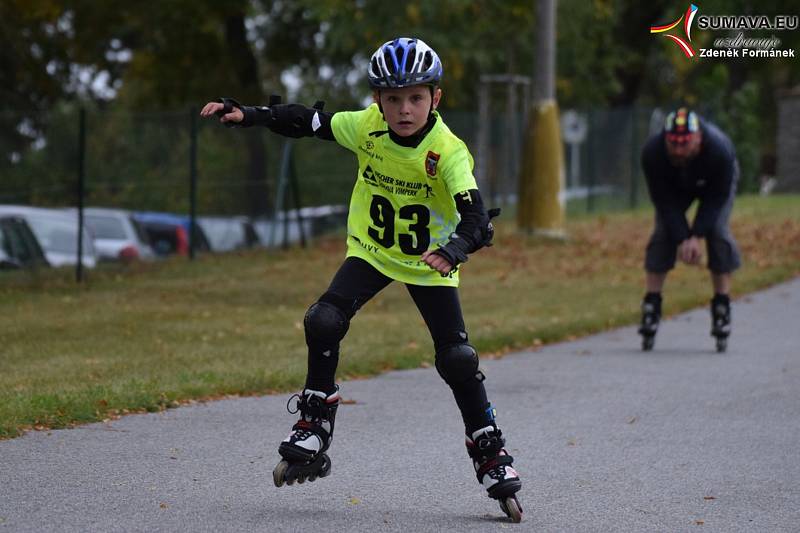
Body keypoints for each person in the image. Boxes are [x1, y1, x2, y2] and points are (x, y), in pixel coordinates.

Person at [201, 37, 522, 521]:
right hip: (372, 251)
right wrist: (250, 114)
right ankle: (314, 424)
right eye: (392, 99)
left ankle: (490, 451)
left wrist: (453, 250)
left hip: (430, 261)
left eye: (415, 97)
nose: (404, 109)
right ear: (378, 101)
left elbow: (477, 220)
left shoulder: (448, 152)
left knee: (457, 358)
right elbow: (308, 121)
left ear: (436, 98)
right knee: (324, 319)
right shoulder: (366, 127)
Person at [638, 107, 741, 352]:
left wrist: (697, 235)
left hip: (713, 185)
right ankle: (652, 302)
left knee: (717, 231)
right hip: (674, 187)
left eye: (685, 144)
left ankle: (722, 303)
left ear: (698, 138)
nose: (678, 150)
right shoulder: (653, 154)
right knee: (664, 231)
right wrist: (683, 237)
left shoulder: (719, 151)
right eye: (673, 144)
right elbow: (663, 201)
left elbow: (716, 200)